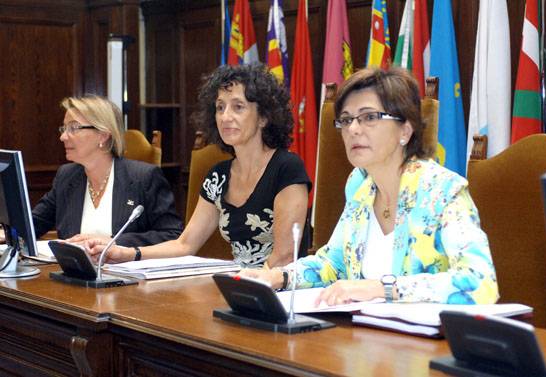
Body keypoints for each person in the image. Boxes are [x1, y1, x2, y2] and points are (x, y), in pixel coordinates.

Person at [242, 67, 499, 305]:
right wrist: (279, 277)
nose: (353, 129)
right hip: (364, 338)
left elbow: (480, 282)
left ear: (405, 130)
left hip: (425, 347)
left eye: (369, 117)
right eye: (346, 119)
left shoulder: (442, 190)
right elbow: (333, 263)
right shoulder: (360, 186)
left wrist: (381, 288)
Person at [86, 64, 311, 268]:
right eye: (220, 107)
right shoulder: (218, 177)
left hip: (280, 293)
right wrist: (128, 253)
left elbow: (284, 255)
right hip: (240, 288)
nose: (225, 117)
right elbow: (185, 244)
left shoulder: (287, 168)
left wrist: (246, 289)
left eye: (238, 107)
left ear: (263, 117)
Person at [32, 95, 183, 246]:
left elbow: (172, 235)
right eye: (64, 128)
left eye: (73, 128)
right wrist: (9, 233)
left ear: (103, 135)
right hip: (75, 268)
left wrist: (115, 242)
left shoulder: (144, 178)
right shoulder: (67, 176)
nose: (63, 137)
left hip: (123, 268)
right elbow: (33, 224)